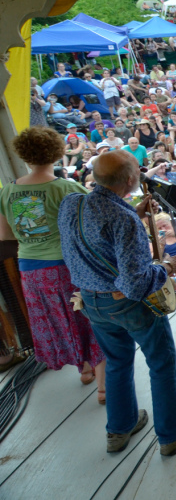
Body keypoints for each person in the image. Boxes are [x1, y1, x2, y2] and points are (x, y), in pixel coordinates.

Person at [57, 150, 176, 456]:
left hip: (90, 302)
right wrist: (167, 267)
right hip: (125, 303)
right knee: (162, 365)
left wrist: (135, 213)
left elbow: (95, 235)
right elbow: (135, 285)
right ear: (130, 180)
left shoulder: (72, 202)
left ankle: (119, 429)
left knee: (117, 362)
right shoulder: (123, 218)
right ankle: (172, 433)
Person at [0, 127, 105, 400]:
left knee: (58, 319)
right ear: (58, 153)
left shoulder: (7, 191)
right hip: (66, 266)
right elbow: (93, 225)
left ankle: (83, 368)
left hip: (29, 269)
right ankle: (102, 380)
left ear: (23, 153)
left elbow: (6, 235)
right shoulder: (67, 188)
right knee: (86, 316)